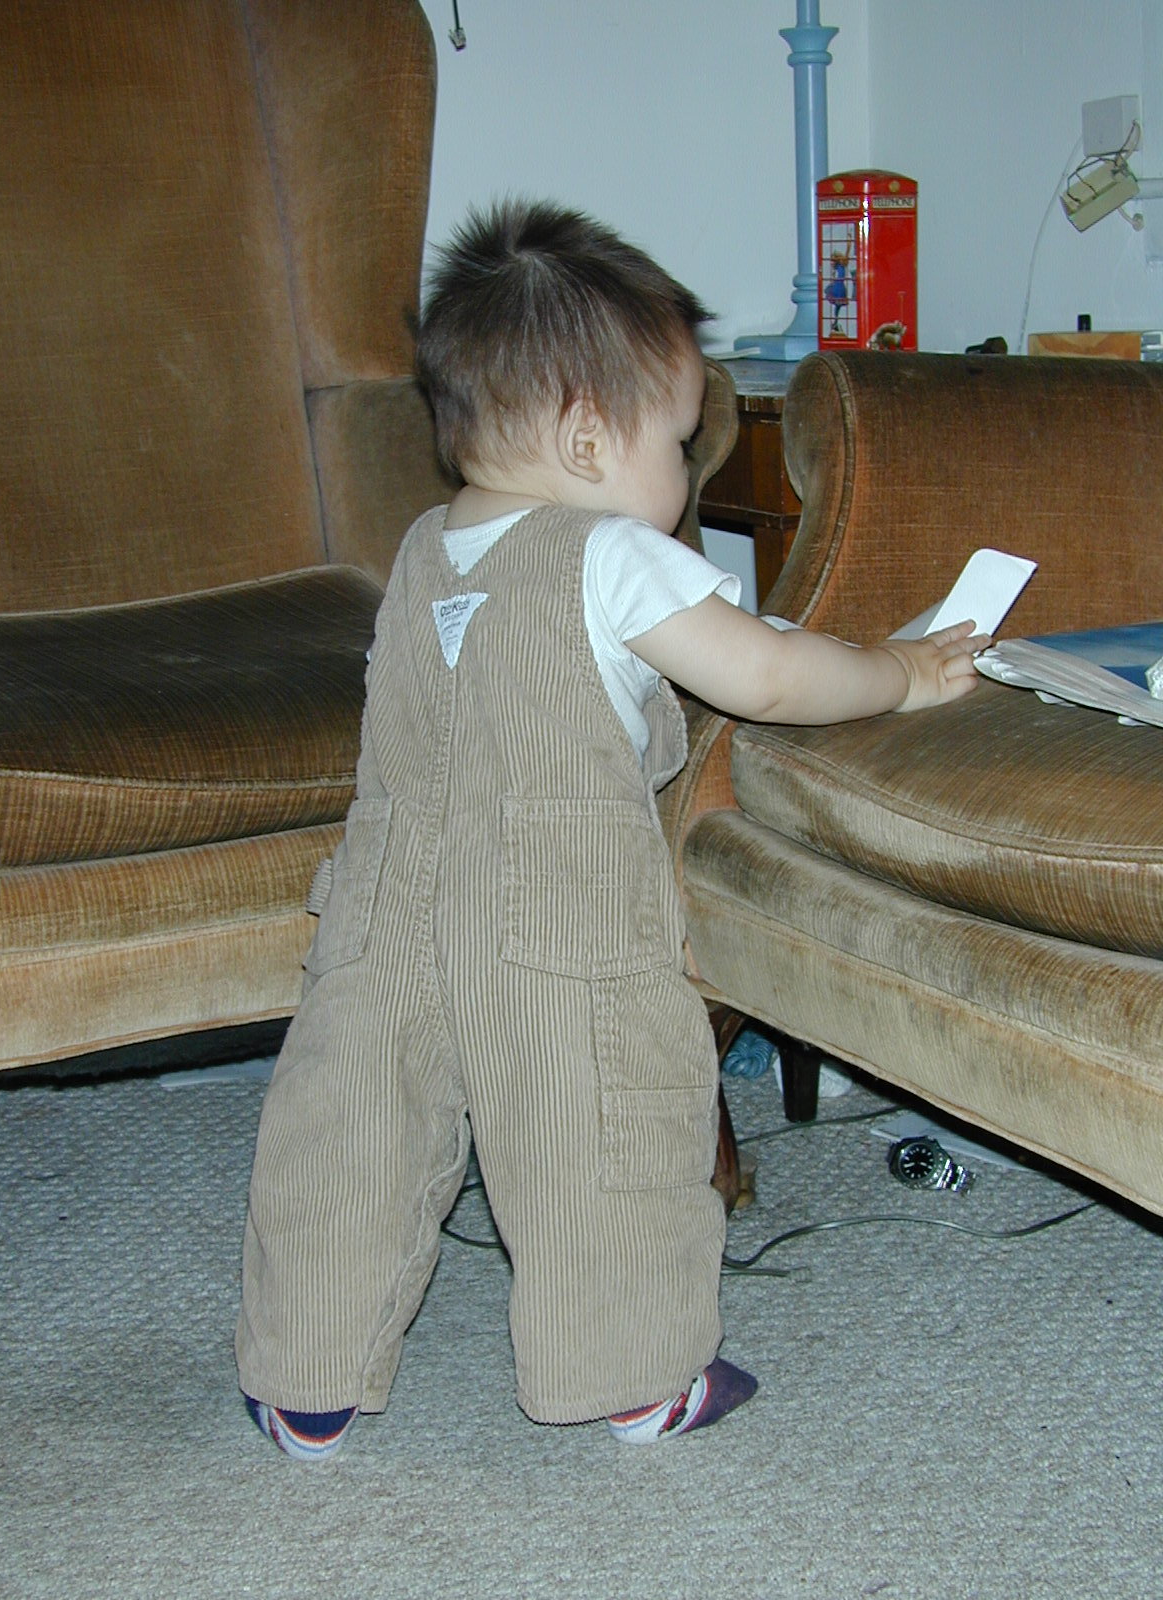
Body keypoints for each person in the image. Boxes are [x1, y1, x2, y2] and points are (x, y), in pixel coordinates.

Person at [236, 198, 985, 1460]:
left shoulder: (420, 552)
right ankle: (636, 1377)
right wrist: (899, 672)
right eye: (679, 444)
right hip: (556, 910)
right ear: (588, 440)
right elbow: (768, 677)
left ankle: (304, 1380)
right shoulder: (611, 554)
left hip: (381, 904)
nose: (686, 476)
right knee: (600, 1128)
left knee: (350, 1124)